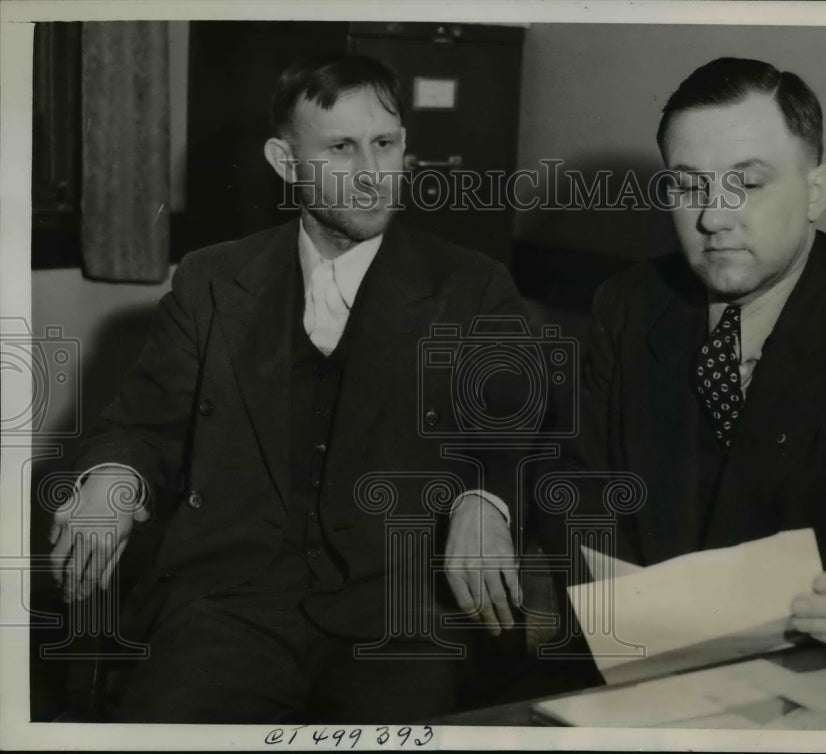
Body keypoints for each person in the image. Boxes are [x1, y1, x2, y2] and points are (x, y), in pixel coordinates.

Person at [47, 54, 525, 723]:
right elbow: (143, 425)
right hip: (229, 605)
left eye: (384, 145)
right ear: (284, 159)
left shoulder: (473, 287)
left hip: (396, 610)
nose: (369, 176)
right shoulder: (212, 281)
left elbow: (521, 438)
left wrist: (484, 501)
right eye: (339, 149)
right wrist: (111, 481)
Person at [534, 57, 826, 656]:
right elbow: (571, 479)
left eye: (747, 184)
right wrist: (627, 627)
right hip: (640, 661)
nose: (713, 217)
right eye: (688, 184)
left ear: (817, 191)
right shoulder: (626, 305)